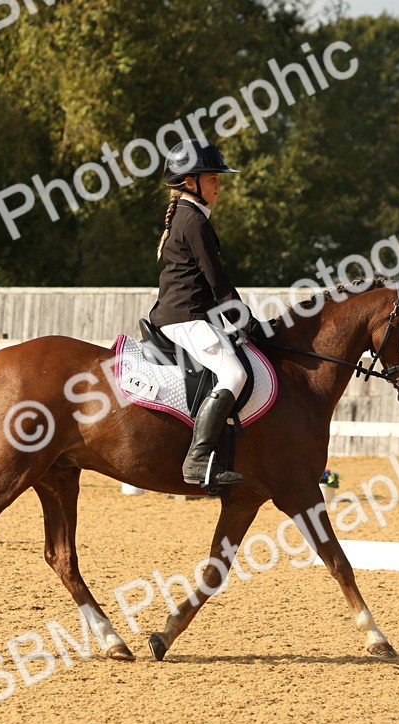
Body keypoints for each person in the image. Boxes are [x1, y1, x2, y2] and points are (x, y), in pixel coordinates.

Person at [149, 139, 254, 486]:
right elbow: (217, 282)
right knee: (235, 376)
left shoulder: (188, 215)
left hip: (186, 315)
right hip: (187, 318)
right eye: (213, 178)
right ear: (190, 182)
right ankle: (197, 460)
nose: (219, 184)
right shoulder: (193, 221)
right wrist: (247, 322)